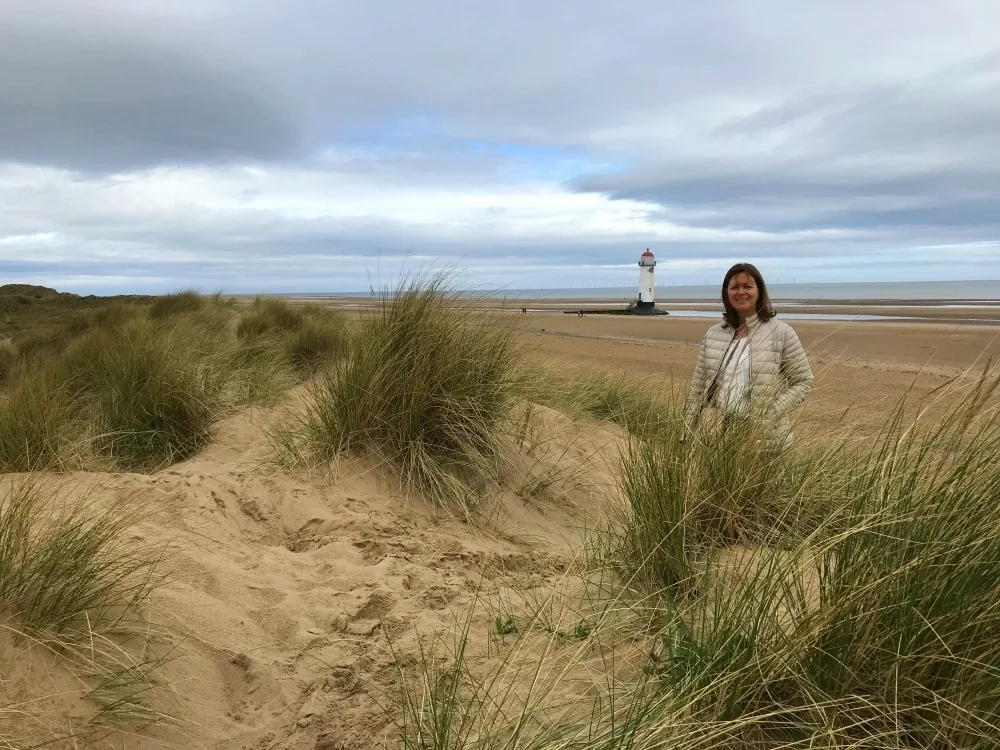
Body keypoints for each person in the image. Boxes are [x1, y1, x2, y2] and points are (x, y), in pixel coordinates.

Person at [682, 263, 813, 451]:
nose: (741, 292)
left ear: (759, 292)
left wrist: (772, 410)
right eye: (734, 287)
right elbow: (697, 387)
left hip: (767, 441)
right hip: (720, 436)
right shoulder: (713, 334)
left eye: (747, 286)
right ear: (726, 293)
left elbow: (804, 381)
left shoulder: (781, 332)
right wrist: (686, 433)